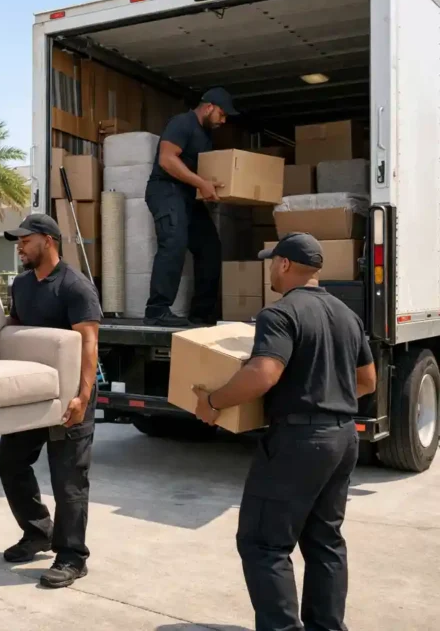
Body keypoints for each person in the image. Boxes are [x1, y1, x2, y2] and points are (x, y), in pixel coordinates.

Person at [192, 233, 377, 631]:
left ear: (285, 265)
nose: (269, 269)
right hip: (343, 436)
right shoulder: (347, 315)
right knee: (325, 542)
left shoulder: (279, 314)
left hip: (299, 441)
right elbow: (367, 380)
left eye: (271, 261)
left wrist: (213, 403)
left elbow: (263, 373)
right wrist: (329, 396)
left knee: (264, 544)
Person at [0, 213, 103, 588]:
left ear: (48, 240)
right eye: (19, 241)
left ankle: (73, 557)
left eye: (26, 240)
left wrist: (82, 396)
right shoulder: (22, 285)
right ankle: (39, 530)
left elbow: (89, 343)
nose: (20, 247)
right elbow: (14, 331)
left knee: (69, 479)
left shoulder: (75, 287)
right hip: (31, 396)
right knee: (9, 462)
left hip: (70, 398)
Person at [144, 87, 239, 327]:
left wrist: (210, 186)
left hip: (186, 196)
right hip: (165, 191)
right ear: (209, 107)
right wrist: (201, 184)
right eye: (222, 113)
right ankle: (157, 311)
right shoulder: (182, 123)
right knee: (173, 243)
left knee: (210, 248)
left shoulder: (205, 135)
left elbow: (196, 171)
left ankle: (202, 315)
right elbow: (167, 159)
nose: (224, 120)